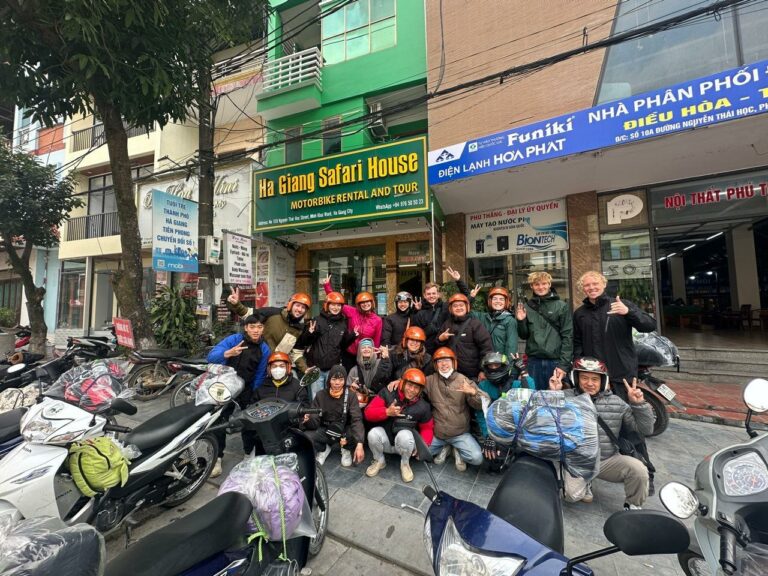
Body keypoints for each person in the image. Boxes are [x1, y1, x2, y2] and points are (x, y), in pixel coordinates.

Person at [550, 357, 655, 509]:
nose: (589, 383)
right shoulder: (565, 397)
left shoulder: (617, 403)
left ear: (603, 381)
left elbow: (646, 430)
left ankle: (632, 506)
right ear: (576, 379)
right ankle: (586, 482)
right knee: (571, 495)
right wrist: (553, 394)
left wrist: (639, 405)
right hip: (577, 460)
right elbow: (547, 421)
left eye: (595, 379)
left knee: (638, 470)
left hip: (607, 459)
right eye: (584, 378)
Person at [572, 271, 656, 401]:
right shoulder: (579, 313)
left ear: (604, 284)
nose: (591, 287)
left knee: (622, 410)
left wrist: (628, 312)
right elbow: (577, 342)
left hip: (621, 372)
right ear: (583, 288)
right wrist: (579, 364)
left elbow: (649, 325)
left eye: (595, 283)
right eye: (587, 285)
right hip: (594, 375)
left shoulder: (621, 305)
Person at [206, 313, 271, 477]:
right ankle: (217, 457)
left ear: (263, 329)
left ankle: (248, 454)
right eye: (252, 327)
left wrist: (253, 394)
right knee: (219, 420)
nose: (256, 330)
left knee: (249, 422)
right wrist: (227, 353)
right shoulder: (234, 340)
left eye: (259, 327)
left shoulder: (264, 348)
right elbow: (211, 357)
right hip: (225, 386)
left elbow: (260, 374)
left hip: (247, 389)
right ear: (246, 328)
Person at [364, 368, 434, 483]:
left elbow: (427, 428)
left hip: (405, 446)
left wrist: (423, 445)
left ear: (420, 390)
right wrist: (386, 412)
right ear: (403, 383)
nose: (412, 390)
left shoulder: (423, 406)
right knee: (373, 433)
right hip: (385, 441)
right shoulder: (388, 392)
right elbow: (368, 413)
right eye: (409, 385)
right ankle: (379, 460)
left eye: (416, 388)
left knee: (405, 435)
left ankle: (405, 464)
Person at [423, 347, 488, 472]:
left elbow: (484, 403)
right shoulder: (430, 380)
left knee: (477, 458)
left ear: (454, 362)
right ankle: (446, 447)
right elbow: (414, 386)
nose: (443, 364)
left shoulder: (463, 380)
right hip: (438, 434)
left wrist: (473, 393)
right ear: (435, 365)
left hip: (460, 433)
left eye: (447, 360)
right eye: (439, 361)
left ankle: (457, 448)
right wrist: (400, 381)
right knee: (420, 453)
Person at [226, 287, 310, 372]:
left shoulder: (300, 329)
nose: (299, 309)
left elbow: (296, 353)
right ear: (290, 305)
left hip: (276, 369)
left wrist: (305, 369)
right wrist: (237, 304)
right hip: (255, 361)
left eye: (303, 308)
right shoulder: (273, 313)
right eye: (297, 305)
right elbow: (249, 314)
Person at [516, 271, 573, 390]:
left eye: (544, 283)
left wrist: (564, 365)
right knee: (534, 395)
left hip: (555, 361)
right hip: (534, 362)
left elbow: (568, 336)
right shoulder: (527, 307)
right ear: (532, 286)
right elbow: (524, 335)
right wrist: (521, 321)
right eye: (537, 284)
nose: (540, 287)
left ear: (549, 284)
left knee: (556, 396)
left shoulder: (561, 306)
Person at [302, 364, 365, 468]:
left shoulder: (351, 395)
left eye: (341, 380)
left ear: (345, 380)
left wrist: (359, 444)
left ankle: (346, 449)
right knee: (307, 436)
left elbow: (356, 419)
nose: (337, 383)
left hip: (344, 430)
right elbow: (314, 421)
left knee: (355, 432)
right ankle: (324, 449)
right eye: (334, 379)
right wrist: (308, 420)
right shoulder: (320, 395)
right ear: (329, 380)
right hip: (326, 430)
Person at [296, 291, 356, 399]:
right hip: (316, 368)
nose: (336, 308)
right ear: (327, 305)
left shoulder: (343, 323)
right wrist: (309, 333)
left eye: (338, 305)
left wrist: (352, 336)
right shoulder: (317, 320)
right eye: (333, 305)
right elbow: (304, 342)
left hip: (332, 368)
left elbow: (342, 345)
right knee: (316, 397)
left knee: (331, 397)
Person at [449, 268, 518, 360]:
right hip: (484, 362)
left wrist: (507, 365)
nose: (498, 301)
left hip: (500, 363)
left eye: (501, 299)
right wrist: (460, 282)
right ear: (490, 301)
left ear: (506, 302)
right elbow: (464, 310)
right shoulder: (483, 317)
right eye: (495, 299)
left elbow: (511, 346)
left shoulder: (510, 321)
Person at [322, 275, 382, 372]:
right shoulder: (353, 312)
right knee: (349, 376)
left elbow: (376, 340)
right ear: (358, 304)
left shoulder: (377, 320)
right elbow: (336, 301)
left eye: (367, 302)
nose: (365, 304)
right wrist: (327, 286)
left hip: (366, 354)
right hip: (349, 354)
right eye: (362, 302)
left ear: (372, 303)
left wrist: (376, 356)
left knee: (363, 378)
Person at [435, 293, 493, 381]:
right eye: (455, 306)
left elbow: (486, 348)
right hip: (451, 373)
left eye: (461, 305)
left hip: (472, 375)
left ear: (467, 307)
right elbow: (437, 347)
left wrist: (483, 370)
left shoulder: (475, 324)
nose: (458, 308)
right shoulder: (447, 324)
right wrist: (440, 339)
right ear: (451, 309)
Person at [412, 276, 453, 355]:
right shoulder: (420, 313)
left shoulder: (446, 307)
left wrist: (459, 281)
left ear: (438, 294)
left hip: (444, 349)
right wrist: (416, 310)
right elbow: (416, 333)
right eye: (428, 294)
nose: (431, 296)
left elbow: (461, 305)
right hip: (426, 352)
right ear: (424, 295)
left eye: (434, 293)